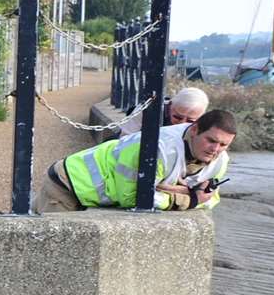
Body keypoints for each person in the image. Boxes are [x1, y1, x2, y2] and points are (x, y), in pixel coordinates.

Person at [40, 108, 237, 213]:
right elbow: (136, 198)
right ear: (194, 129)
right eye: (211, 140)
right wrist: (189, 198)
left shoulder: (220, 160)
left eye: (224, 145)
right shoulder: (158, 148)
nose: (215, 150)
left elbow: (212, 198)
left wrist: (167, 190)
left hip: (94, 193)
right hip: (68, 184)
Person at [117, 86, 209, 136]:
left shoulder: (205, 126)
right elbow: (125, 137)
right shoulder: (147, 110)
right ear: (170, 106)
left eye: (190, 121)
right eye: (177, 117)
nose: (182, 123)